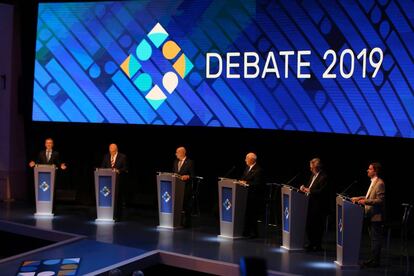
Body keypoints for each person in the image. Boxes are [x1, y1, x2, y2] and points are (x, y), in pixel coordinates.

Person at [351, 162, 385, 268]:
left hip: (376, 215)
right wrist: (359, 198)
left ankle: (376, 261)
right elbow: (369, 196)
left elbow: (380, 200)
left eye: (370, 169)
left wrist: (365, 201)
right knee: (373, 239)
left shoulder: (379, 183)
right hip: (370, 214)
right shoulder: (373, 182)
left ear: (375, 171)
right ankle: (374, 259)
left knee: (375, 239)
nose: (367, 170)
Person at [300, 158, 329, 251]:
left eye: (311, 167)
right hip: (309, 203)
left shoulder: (323, 177)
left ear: (316, 167)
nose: (310, 169)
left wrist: (309, 190)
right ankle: (311, 243)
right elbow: (310, 187)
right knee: (309, 224)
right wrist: (304, 188)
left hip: (318, 205)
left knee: (317, 225)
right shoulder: (313, 176)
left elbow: (322, 192)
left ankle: (317, 245)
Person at [239, 152, 264, 238]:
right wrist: (240, 182)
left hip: (254, 196)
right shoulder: (247, 168)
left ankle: (253, 233)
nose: (245, 160)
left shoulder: (258, 170)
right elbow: (242, 178)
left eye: (246, 158)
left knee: (251, 215)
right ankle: (247, 232)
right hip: (244, 194)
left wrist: (246, 182)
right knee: (247, 214)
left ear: (252, 159)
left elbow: (257, 184)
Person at [101, 143, 128, 221]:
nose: (111, 153)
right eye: (110, 151)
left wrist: (118, 170)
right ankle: (107, 215)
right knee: (108, 198)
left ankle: (118, 217)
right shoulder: (106, 156)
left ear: (116, 150)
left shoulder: (122, 157)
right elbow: (103, 167)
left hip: (118, 182)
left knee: (118, 199)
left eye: (112, 151)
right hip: (107, 183)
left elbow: (125, 169)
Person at [173, 146, 195, 228]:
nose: (176, 154)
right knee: (178, 205)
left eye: (177, 152)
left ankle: (187, 224)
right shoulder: (175, 162)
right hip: (177, 188)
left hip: (186, 188)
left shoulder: (190, 162)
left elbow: (193, 175)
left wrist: (188, 176)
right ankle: (178, 222)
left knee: (186, 206)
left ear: (182, 153)